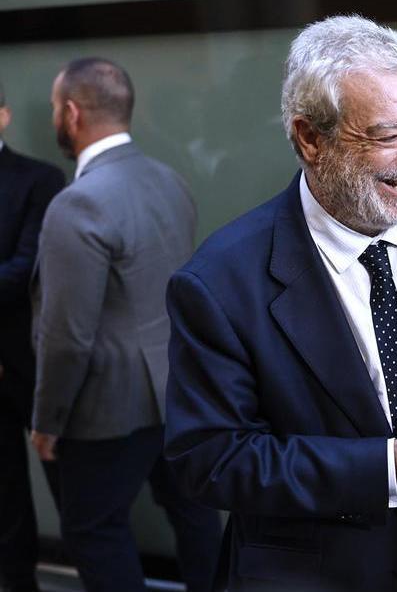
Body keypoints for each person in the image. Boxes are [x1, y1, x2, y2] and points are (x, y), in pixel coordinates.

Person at [164, 15, 397, 591]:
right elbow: (211, 460)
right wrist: (390, 465)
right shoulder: (220, 282)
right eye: (388, 136)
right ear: (309, 138)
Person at [30, 58, 221, 591]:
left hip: (105, 406)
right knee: (195, 515)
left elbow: (68, 335)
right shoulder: (170, 179)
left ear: (71, 113)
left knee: (92, 529)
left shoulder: (77, 203)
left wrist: (48, 421)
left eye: (52, 109)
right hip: (178, 389)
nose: (53, 117)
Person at [0, 81, 65, 592]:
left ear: (3, 116)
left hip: (33, 358)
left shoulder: (39, 179)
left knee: (65, 481)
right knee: (3, 493)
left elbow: (26, 267)